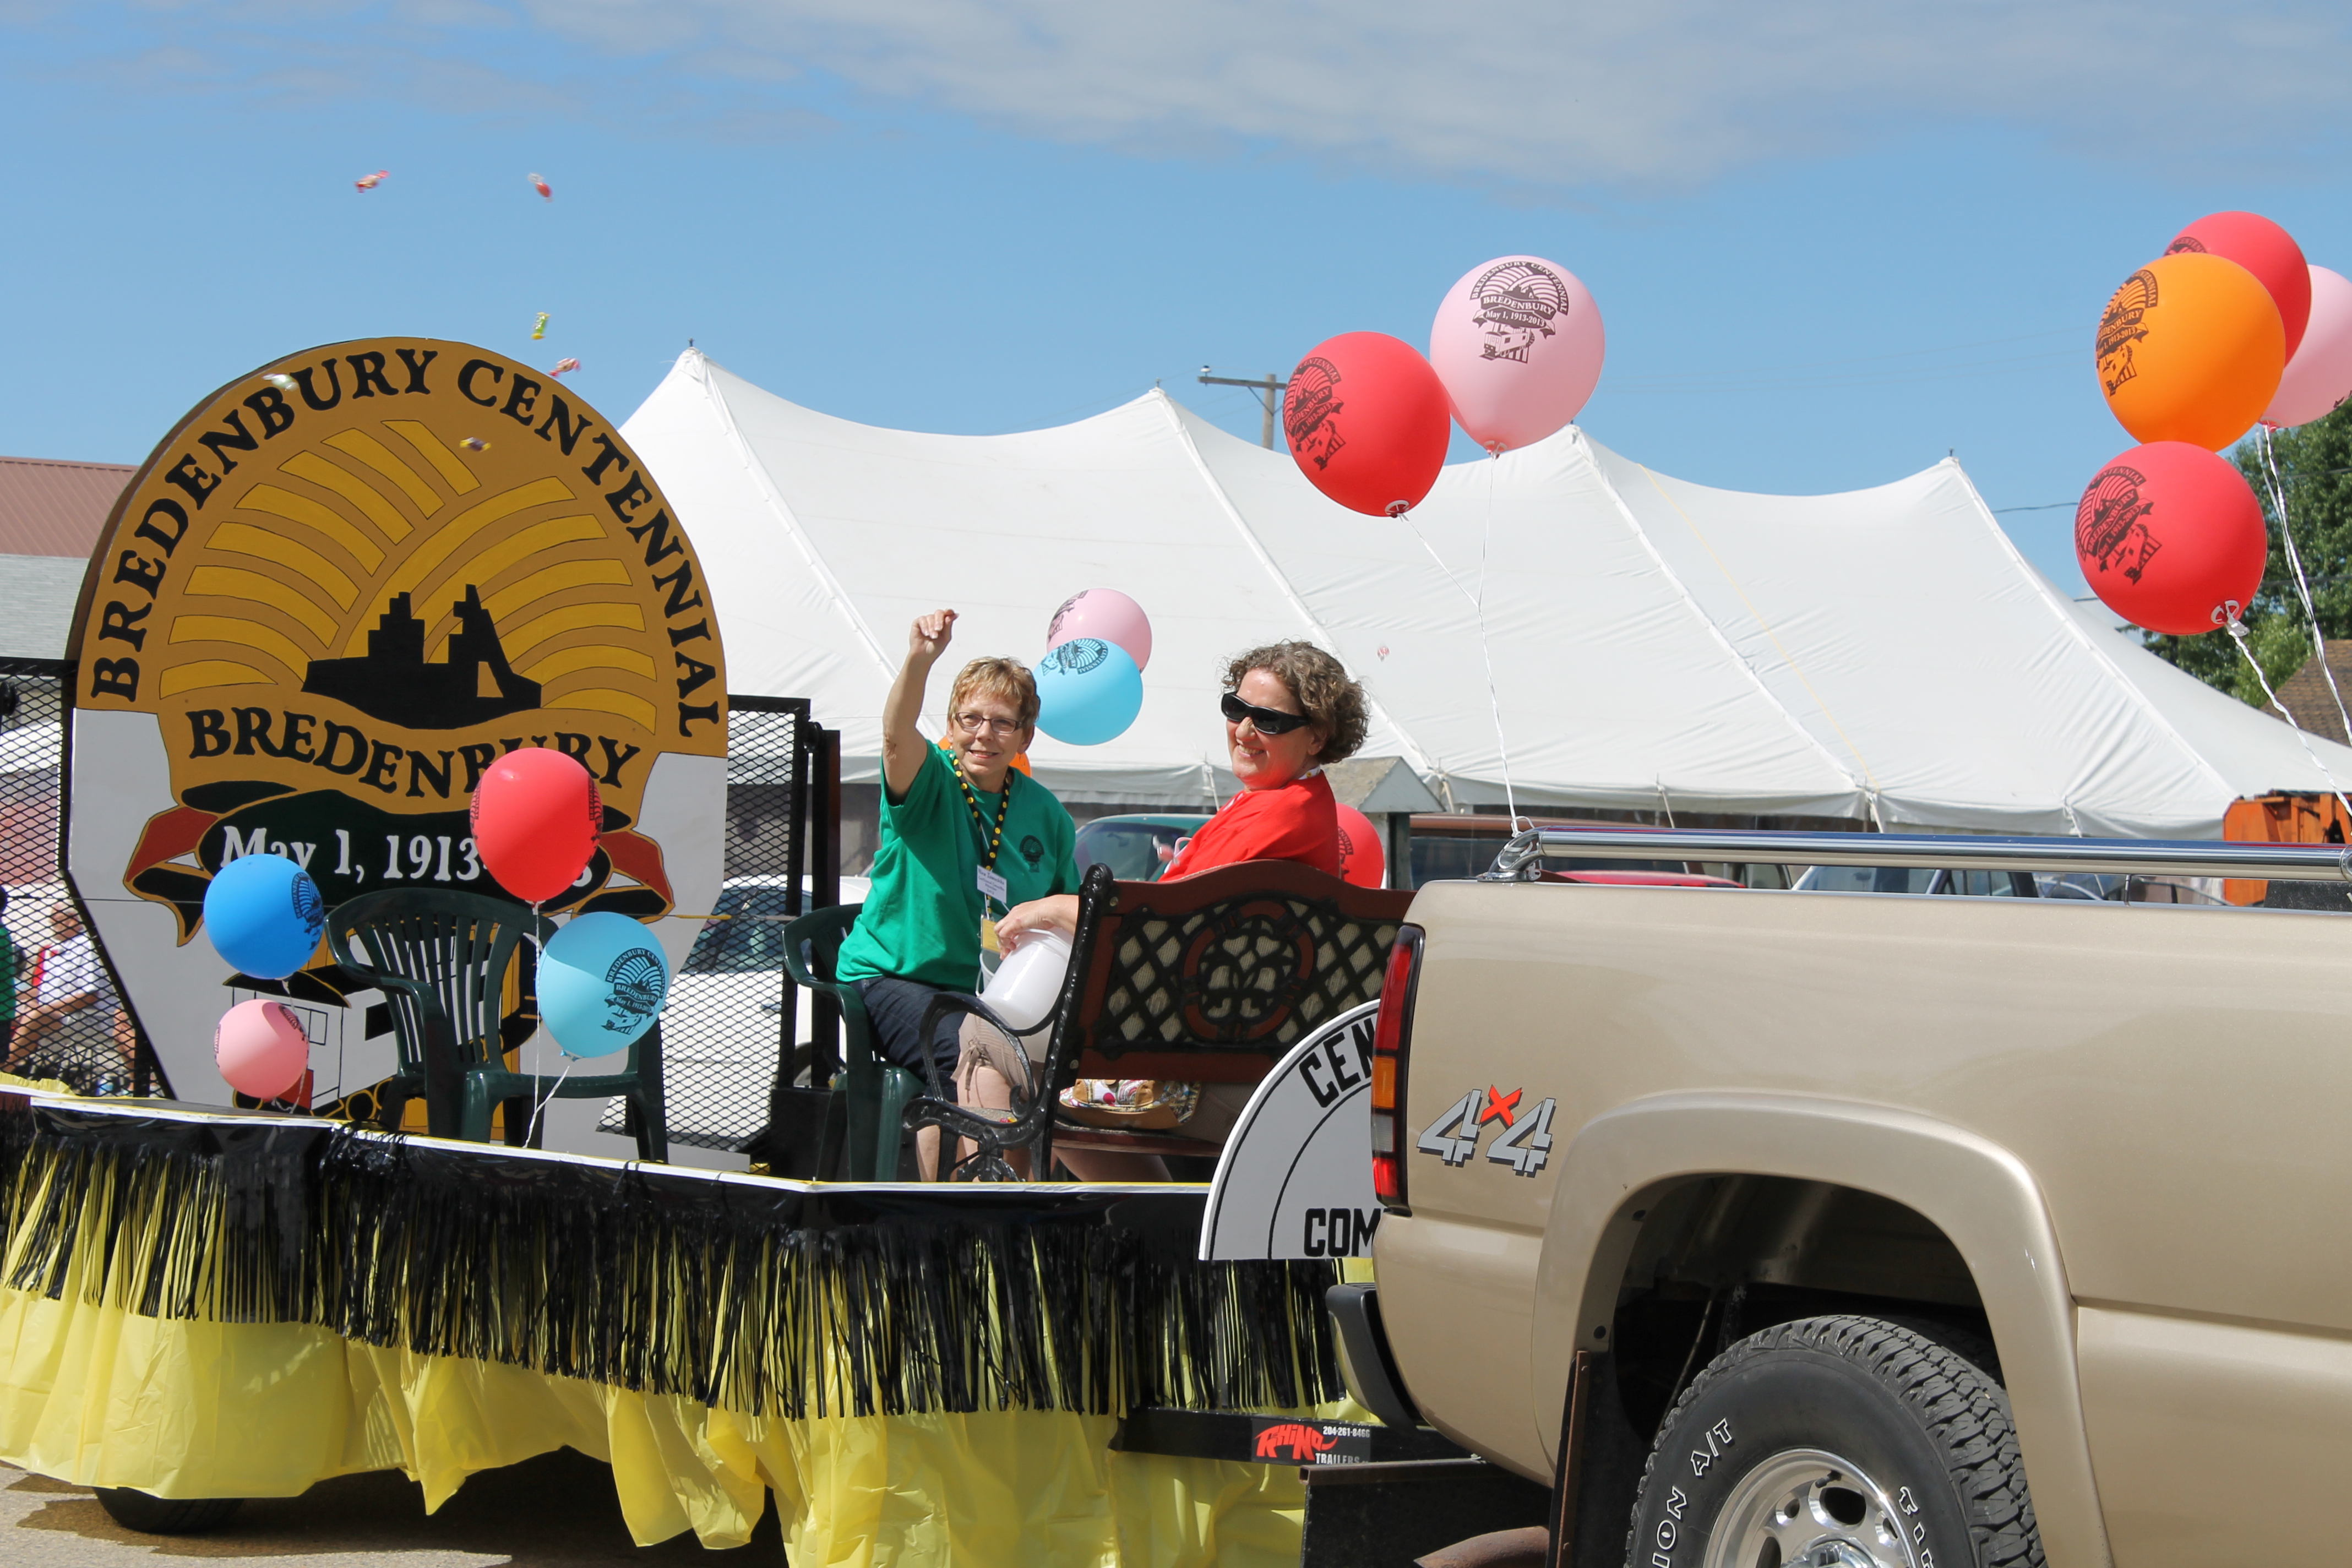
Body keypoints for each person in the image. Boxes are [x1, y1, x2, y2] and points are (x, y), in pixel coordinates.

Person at [972, 640, 1370, 1180]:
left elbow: (1147, 928)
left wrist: (1051, 908)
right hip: (1220, 1051)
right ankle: (1150, 1233)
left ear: (1316, 736)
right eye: (1236, 709)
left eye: (1269, 720)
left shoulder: (1281, 815)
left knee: (987, 1041)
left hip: (1190, 1069)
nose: (1245, 729)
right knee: (1023, 1056)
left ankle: (992, 1234)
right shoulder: (1298, 807)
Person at [833, 609, 1080, 1178]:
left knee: (1058, 1065)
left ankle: (1032, 1210)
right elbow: (897, 736)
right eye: (969, 719)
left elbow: (1067, 917)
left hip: (1003, 991)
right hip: (898, 978)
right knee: (975, 1055)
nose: (983, 734)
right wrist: (921, 658)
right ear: (950, 725)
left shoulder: (1044, 811)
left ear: (1025, 734)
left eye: (1000, 722)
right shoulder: (932, 780)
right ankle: (964, 1210)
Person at [10, 901, 124, 1084]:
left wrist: (43, 1008)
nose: (51, 925)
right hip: (55, 1013)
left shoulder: (88, 946)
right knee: (10, 1009)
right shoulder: (57, 948)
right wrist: (12, 1000)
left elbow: (90, 996)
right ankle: (13, 1069)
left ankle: (4, 1069)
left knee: (36, 1015)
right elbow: (40, 991)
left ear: (71, 921)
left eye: (55, 920)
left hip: (88, 1017)